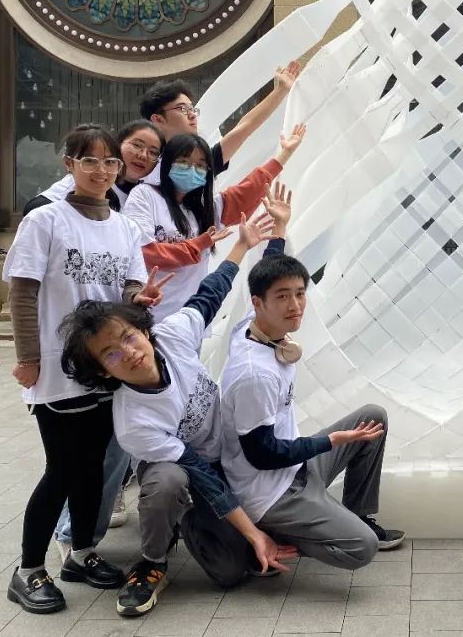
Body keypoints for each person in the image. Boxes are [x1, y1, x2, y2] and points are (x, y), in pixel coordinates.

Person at [58, 202, 300, 617]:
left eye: (129, 338)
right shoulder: (134, 422)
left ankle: (201, 522)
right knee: (172, 485)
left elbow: (211, 293)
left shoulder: (173, 335)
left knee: (242, 568)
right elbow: (197, 470)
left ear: (144, 330)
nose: (128, 353)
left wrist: (244, 245)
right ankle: (153, 561)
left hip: (229, 454)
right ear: (102, 371)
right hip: (187, 470)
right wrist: (252, 533)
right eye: (111, 355)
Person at [3, 124, 169, 615]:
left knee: (95, 469)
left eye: (109, 162)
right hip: (57, 370)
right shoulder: (46, 219)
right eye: (90, 160)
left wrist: (140, 298)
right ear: (69, 164)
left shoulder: (124, 227)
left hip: (107, 368)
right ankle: (28, 571)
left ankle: (81, 553)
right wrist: (28, 358)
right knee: (62, 469)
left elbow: (128, 290)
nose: (102, 170)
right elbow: (23, 292)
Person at [219, 245, 405, 571]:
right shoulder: (255, 375)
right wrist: (329, 442)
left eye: (300, 293)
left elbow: (269, 268)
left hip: (298, 468)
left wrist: (279, 228)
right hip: (271, 493)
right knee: (362, 547)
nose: (295, 305)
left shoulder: (252, 327)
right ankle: (265, 537)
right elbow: (262, 455)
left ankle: (356, 513)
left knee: (373, 418)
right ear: (258, 303)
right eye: (282, 297)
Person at [121, 124, 306, 322]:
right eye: (183, 162)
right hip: (148, 315)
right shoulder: (145, 195)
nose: (192, 170)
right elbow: (145, 253)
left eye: (200, 166)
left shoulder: (207, 208)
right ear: (167, 163)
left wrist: (284, 154)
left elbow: (248, 189)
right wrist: (199, 244)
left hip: (190, 318)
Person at [139, 62, 300, 179]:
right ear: (158, 119)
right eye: (183, 109)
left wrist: (281, 90)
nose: (192, 115)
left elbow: (245, 126)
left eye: (193, 109)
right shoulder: (142, 164)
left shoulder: (205, 160)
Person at [23, 120, 165, 215]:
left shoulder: (149, 193)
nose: (143, 155)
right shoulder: (87, 179)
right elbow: (35, 208)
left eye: (153, 152)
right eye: (137, 145)